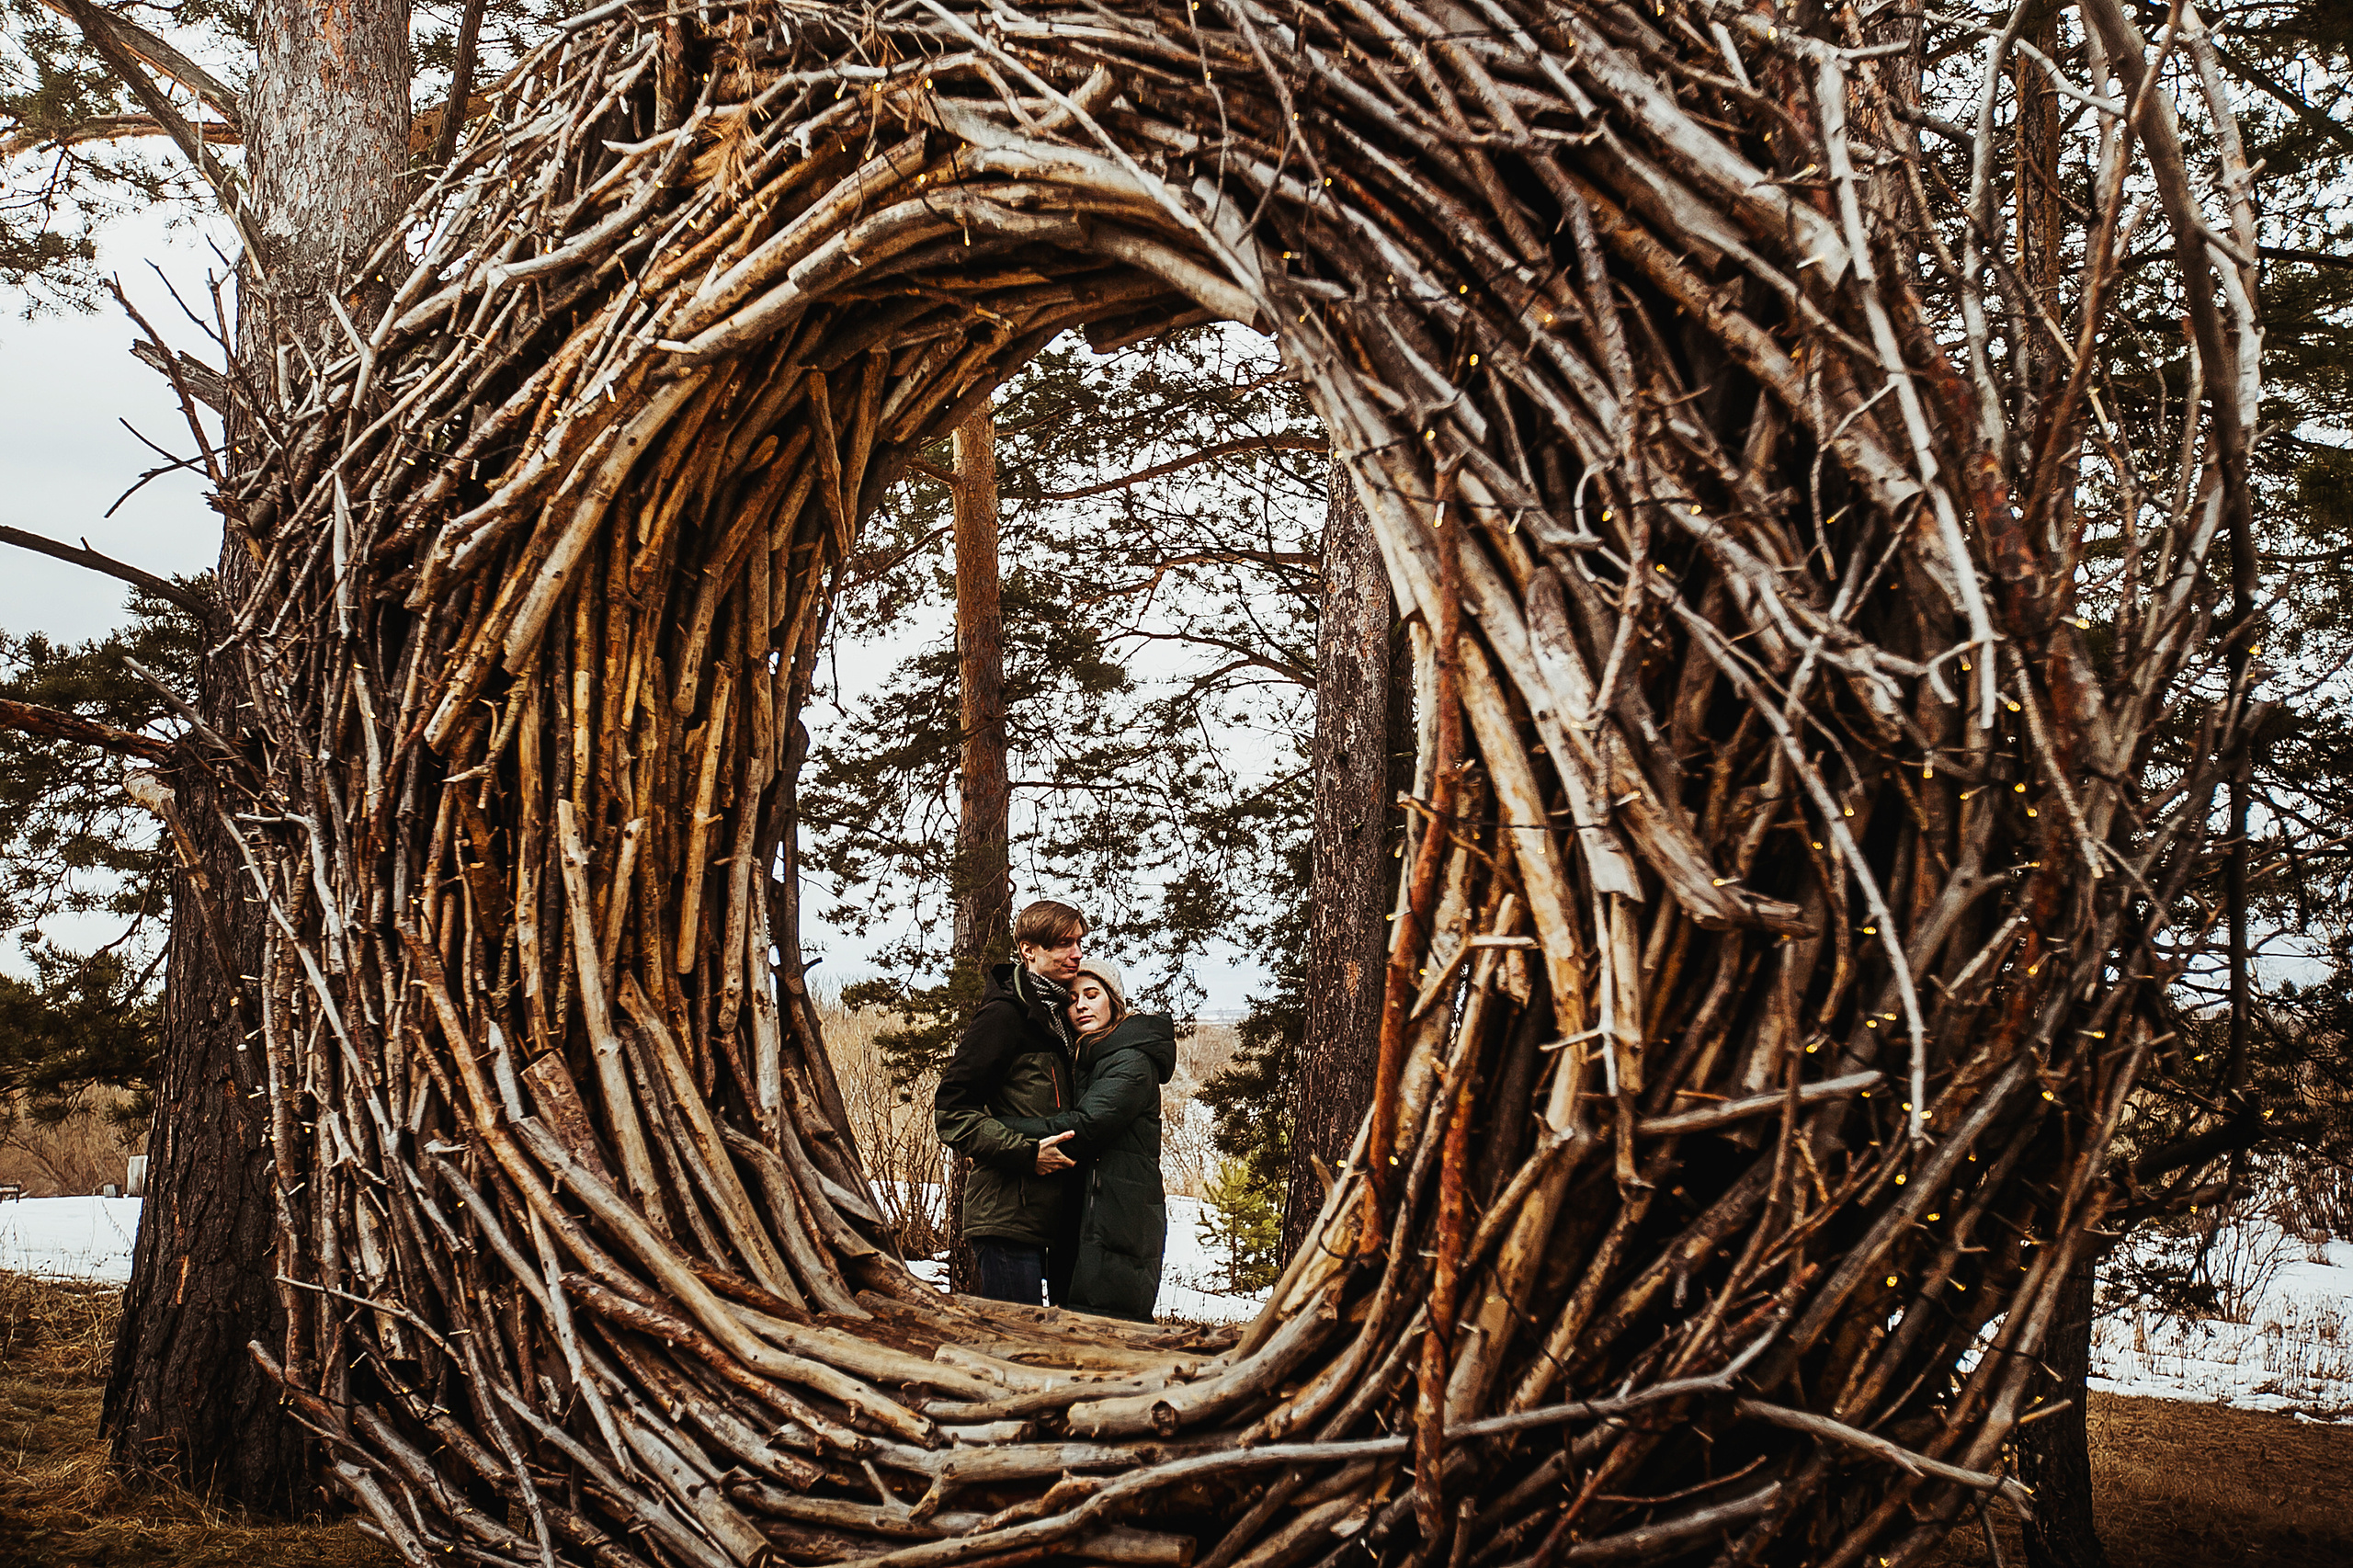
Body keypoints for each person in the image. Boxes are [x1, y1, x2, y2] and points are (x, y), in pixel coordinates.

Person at [932, 899, 1087, 1307]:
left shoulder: (1063, 1016)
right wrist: (1026, 1153)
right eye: (1063, 944)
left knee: (1056, 1340)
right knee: (1015, 1338)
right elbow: (951, 1111)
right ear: (1028, 950)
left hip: (1056, 1217)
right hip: (1006, 1216)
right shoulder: (1004, 1016)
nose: (1076, 954)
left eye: (1078, 942)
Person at [1003, 960, 1174, 1321]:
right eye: (1071, 999)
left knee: (1110, 1331)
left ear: (1114, 1001)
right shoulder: (1089, 1058)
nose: (1080, 1005)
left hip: (1118, 1222)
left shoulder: (1131, 1060)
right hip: (1090, 1219)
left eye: (1092, 995)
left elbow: (1083, 1127)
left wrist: (998, 1131)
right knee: (1073, 1329)